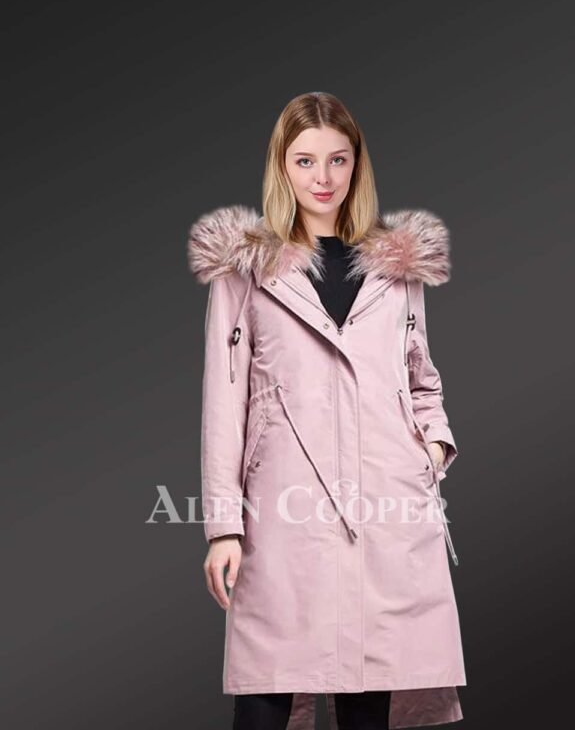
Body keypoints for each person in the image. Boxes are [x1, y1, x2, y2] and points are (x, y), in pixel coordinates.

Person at [187, 92, 466, 729]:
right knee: (266, 694)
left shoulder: (396, 268)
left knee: (370, 695)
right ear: (282, 167)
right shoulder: (246, 270)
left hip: (387, 506)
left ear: (356, 165)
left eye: (338, 160)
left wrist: (430, 450)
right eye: (306, 161)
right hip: (285, 512)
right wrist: (223, 528)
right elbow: (224, 401)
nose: (323, 178)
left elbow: (421, 379)